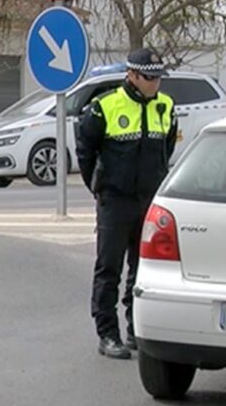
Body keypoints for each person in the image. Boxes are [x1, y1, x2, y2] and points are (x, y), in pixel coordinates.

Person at [76, 48, 178, 360]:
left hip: (149, 200)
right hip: (115, 200)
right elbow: (85, 149)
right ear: (131, 75)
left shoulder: (166, 106)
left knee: (142, 270)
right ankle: (107, 333)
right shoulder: (105, 106)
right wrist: (99, 187)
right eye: (149, 77)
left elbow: (168, 145)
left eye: (159, 77)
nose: (155, 83)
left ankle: (136, 327)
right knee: (109, 268)